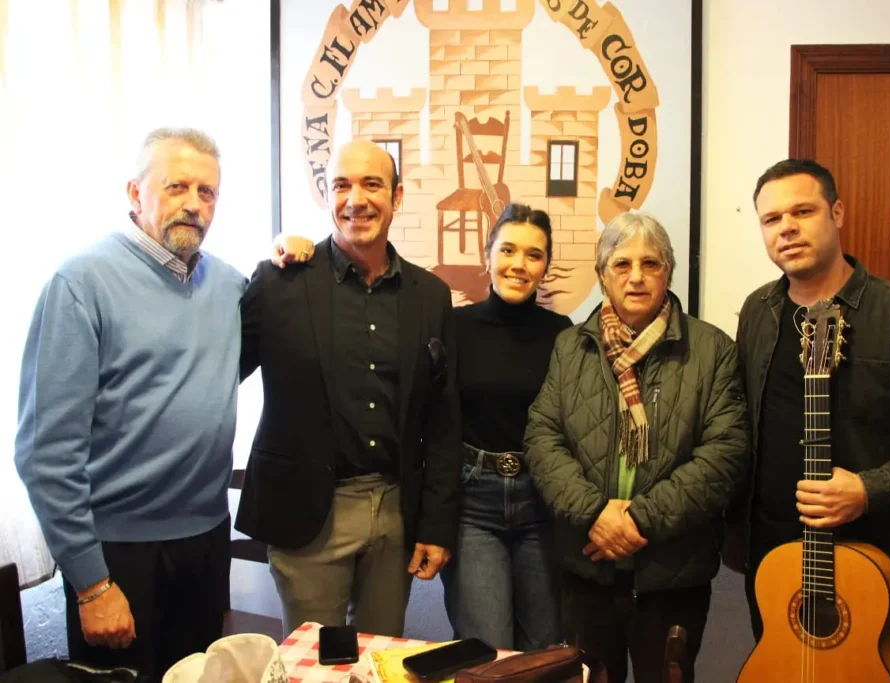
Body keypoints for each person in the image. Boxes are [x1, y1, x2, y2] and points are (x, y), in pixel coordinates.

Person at [727, 158, 890, 676]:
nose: (787, 229)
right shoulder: (758, 310)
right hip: (777, 562)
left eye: (802, 211)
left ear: (837, 212)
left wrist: (871, 487)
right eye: (771, 219)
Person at [14, 128, 246, 678]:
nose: (194, 203)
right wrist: (92, 584)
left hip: (206, 541)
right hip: (119, 554)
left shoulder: (230, 286)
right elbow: (46, 452)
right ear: (134, 193)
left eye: (207, 192)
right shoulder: (80, 283)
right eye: (177, 186)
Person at [235, 138, 462, 638]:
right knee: (314, 668)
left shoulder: (431, 296)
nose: (355, 199)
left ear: (397, 198)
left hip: (396, 513)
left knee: (381, 662)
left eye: (372, 184)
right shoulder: (279, 284)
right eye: (341, 185)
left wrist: (436, 525)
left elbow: (443, 421)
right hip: (308, 517)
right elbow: (216, 371)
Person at [523, 212, 748, 683]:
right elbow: (542, 437)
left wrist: (638, 520)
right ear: (603, 275)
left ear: (668, 271)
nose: (637, 276)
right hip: (588, 568)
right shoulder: (571, 347)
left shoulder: (713, 350)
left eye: (651, 263)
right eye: (622, 264)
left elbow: (724, 455)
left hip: (672, 575)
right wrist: (594, 514)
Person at [439, 204, 573, 651]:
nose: (519, 264)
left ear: (545, 267)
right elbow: (435, 423)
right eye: (508, 250)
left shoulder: (563, 334)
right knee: (486, 649)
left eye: (534, 255)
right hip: (474, 504)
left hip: (542, 501)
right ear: (488, 255)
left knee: (544, 649)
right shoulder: (455, 326)